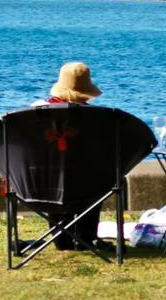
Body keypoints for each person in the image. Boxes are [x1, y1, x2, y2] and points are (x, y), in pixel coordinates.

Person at [33, 62, 114, 252]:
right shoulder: (97, 119)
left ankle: (62, 238)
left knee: (58, 174)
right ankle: (85, 238)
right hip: (86, 188)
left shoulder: (32, 114)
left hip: (41, 185)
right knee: (95, 177)